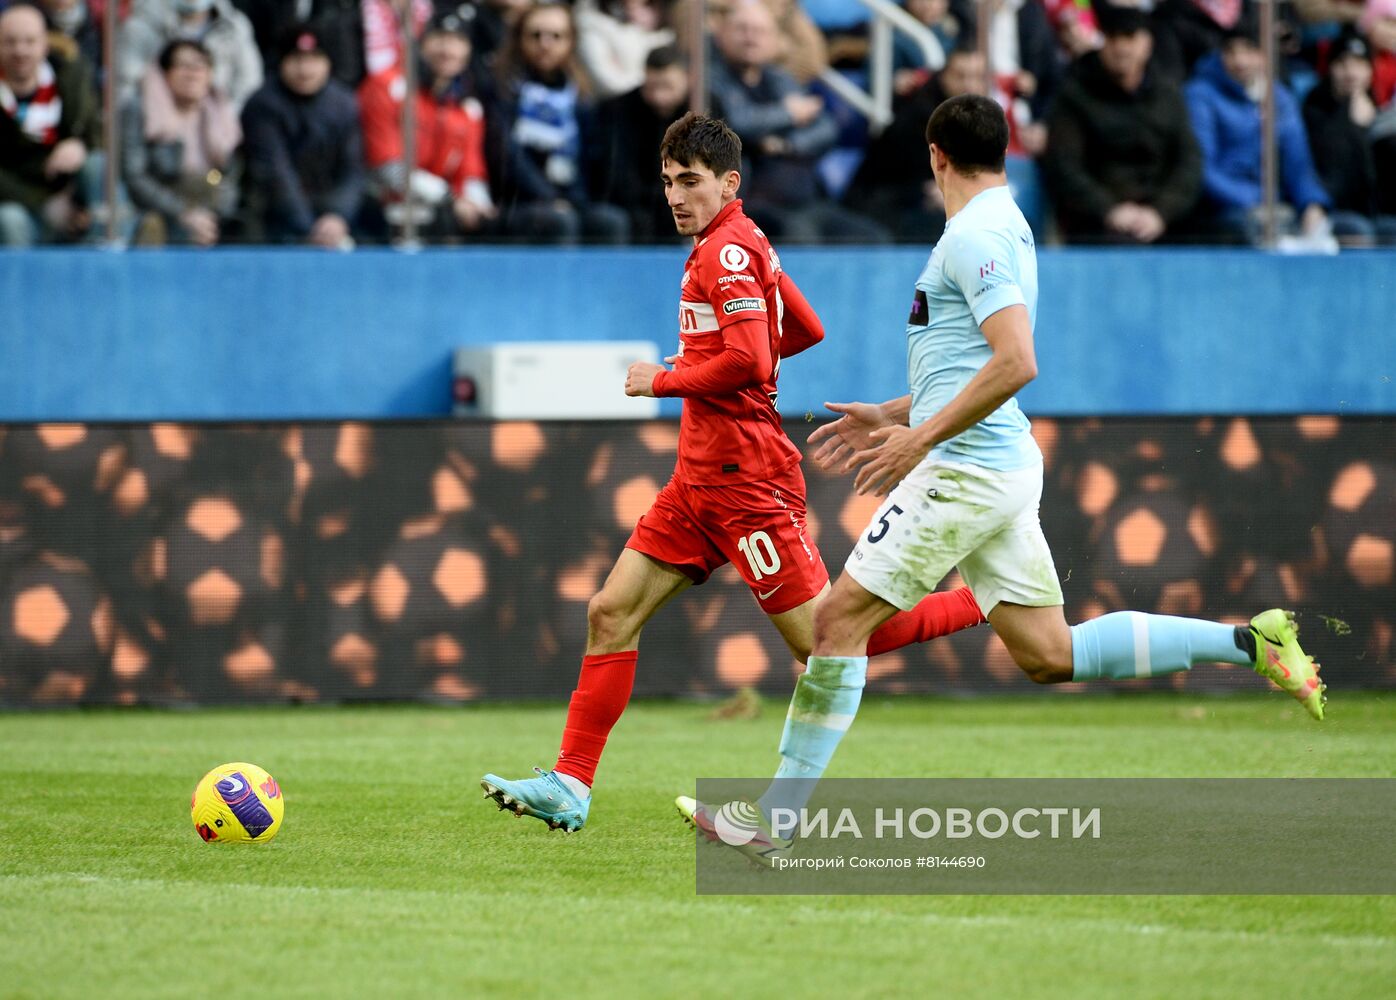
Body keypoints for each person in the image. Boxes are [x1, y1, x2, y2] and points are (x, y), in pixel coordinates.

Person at [682, 95, 1326, 865]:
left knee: (835, 625)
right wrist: (895, 414)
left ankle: (775, 823)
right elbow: (969, 362)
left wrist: (916, 438)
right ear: (1007, 150)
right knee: (1049, 653)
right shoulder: (1001, 224)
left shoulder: (977, 235)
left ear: (934, 156)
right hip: (997, 463)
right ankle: (1248, 643)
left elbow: (1017, 361)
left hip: (966, 471)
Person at [481, 112, 988, 834]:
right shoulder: (742, 243)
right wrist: (739, 355)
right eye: (667, 182)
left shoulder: (725, 253)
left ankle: (981, 602)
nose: (676, 196)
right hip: (698, 481)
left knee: (824, 641)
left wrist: (666, 379)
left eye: (690, 182)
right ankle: (570, 783)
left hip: (747, 482)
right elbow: (803, 331)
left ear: (728, 182)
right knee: (610, 613)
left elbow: (752, 360)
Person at [707, 0, 888, 243]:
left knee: (874, 238)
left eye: (760, 31)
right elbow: (735, 124)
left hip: (808, 201)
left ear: (775, 40)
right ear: (722, 34)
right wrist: (789, 114)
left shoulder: (780, 78)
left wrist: (786, 145)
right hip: (751, 203)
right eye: (742, 29)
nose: (751, 38)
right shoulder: (710, 80)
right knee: (801, 238)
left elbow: (825, 128)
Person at [1045, 7, 1201, 243]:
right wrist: (1109, 209)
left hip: (1164, 218)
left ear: (1148, 44)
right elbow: (1064, 166)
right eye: (1112, 38)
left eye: (1130, 37)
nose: (1121, 48)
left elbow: (1189, 160)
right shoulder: (1074, 95)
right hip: (1097, 221)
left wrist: (1162, 211)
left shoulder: (1168, 95)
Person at [491, 1, 630, 243]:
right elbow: (509, 156)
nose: (545, 44)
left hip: (572, 198)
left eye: (556, 36)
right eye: (536, 35)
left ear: (570, 42)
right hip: (519, 202)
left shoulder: (580, 96)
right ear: (519, 39)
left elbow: (590, 156)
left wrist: (574, 199)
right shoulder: (504, 90)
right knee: (560, 221)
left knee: (611, 222)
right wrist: (548, 197)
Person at [1184, 24, 1334, 243]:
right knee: (1254, 228)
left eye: (1249, 50)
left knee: (1349, 229)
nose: (1239, 60)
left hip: (1273, 205)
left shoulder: (1279, 98)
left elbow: (1298, 163)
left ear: (1265, 54)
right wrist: (1255, 200)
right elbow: (1201, 168)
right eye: (1231, 51)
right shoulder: (1200, 95)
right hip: (1221, 207)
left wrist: (1312, 204)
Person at [358, 9, 495, 240]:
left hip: (440, 212)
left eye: (458, 41)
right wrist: (449, 198)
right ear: (420, 44)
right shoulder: (387, 86)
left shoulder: (467, 108)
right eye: (439, 38)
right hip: (380, 209)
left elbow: (471, 172)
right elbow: (386, 168)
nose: (447, 50)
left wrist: (479, 206)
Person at [846, 44, 986, 242]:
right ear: (943, 77)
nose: (969, 85)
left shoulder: (975, 117)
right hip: (883, 204)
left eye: (977, 77)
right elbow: (907, 179)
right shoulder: (920, 115)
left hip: (917, 202)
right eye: (960, 76)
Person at [240, 23, 364, 247]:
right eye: (296, 59)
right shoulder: (263, 104)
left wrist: (337, 216)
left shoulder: (344, 104)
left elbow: (353, 169)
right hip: (276, 219)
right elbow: (275, 173)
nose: (305, 69)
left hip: (331, 217)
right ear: (282, 62)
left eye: (314, 59)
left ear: (327, 63)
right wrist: (309, 228)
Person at [121, 38, 241, 245]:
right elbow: (134, 176)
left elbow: (229, 176)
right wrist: (184, 213)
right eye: (183, 66)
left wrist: (211, 216)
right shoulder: (141, 110)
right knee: (153, 226)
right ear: (165, 73)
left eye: (200, 66)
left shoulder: (219, 112)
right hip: (159, 207)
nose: (193, 74)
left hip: (210, 208)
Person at [0, 2, 102, 245]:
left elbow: (95, 133)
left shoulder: (70, 76)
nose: (20, 51)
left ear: (46, 43)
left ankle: (105, 255)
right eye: (10, 41)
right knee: (9, 219)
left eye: (29, 41)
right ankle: (18, 282)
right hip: (19, 202)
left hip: (70, 200)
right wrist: (44, 203)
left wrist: (78, 145)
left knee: (97, 165)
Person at [592, 43, 688, 241]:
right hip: (634, 205)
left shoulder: (704, 107)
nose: (659, 97)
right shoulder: (620, 111)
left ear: (688, 79)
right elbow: (617, 174)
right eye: (651, 87)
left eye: (667, 86)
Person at [1302, 28, 1389, 243]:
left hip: (1374, 210)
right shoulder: (1313, 109)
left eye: (1359, 65)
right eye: (1342, 64)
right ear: (1330, 69)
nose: (1351, 73)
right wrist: (1351, 124)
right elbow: (1331, 168)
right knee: (1358, 231)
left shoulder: (1380, 112)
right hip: (1330, 208)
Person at [119, 0, 263, 112]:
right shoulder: (142, 24)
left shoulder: (235, 25)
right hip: (156, 132)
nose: (192, 74)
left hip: (217, 135)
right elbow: (126, 87)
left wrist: (224, 120)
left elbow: (249, 84)